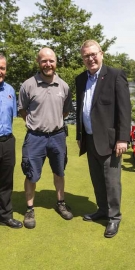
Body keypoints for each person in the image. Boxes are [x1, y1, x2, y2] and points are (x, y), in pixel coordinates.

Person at [75, 40, 131, 238]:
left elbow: (124, 109)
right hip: (89, 139)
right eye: (86, 56)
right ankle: (102, 210)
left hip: (110, 141)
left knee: (111, 182)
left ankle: (114, 217)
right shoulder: (80, 79)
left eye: (93, 54)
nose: (90, 59)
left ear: (101, 53)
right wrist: (79, 135)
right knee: (97, 179)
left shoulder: (115, 75)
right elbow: (80, 110)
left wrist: (123, 138)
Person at [18, 48, 73, 229]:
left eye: (51, 60)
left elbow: (65, 111)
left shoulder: (64, 86)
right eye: (44, 61)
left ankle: (60, 203)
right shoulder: (28, 85)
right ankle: (29, 209)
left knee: (59, 172)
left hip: (57, 136)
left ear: (56, 62)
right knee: (31, 174)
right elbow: (23, 111)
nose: (48, 64)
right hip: (35, 137)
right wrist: (36, 124)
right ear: (38, 62)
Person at [0, 54, 23, 229]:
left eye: (2, 68)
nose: (0, 71)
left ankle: (5, 215)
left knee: (6, 181)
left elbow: (12, 116)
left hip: (7, 141)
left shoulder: (10, 91)